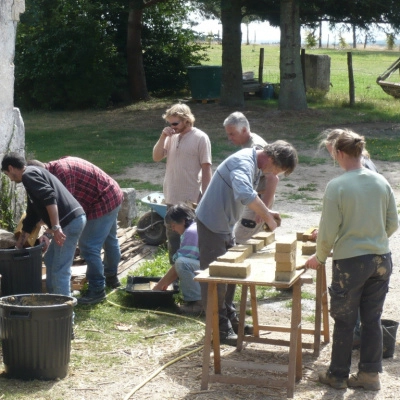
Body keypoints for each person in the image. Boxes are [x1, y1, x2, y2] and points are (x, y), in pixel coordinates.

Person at [305, 129, 398, 391]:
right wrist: (373, 238)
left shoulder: (338, 186)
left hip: (350, 264)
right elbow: (393, 223)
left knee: (345, 320)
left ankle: (337, 375)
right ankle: (370, 375)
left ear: (340, 153)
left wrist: (319, 257)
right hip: (381, 259)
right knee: (372, 318)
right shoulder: (381, 181)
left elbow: (328, 231)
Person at [196, 141, 298, 345]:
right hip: (211, 224)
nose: (275, 174)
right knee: (216, 277)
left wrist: (267, 212)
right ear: (271, 158)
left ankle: (231, 320)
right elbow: (244, 194)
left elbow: (252, 193)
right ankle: (219, 329)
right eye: (277, 169)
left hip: (224, 224)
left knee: (232, 274)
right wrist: (267, 216)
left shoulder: (254, 164)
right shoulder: (243, 162)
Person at [314, 128, 379, 347]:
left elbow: (354, 215)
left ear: (341, 150)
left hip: (356, 253)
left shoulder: (352, 176)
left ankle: (346, 354)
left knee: (347, 311)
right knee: (370, 313)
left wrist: (333, 243)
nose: (333, 158)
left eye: (332, 152)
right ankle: (368, 366)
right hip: (376, 252)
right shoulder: (368, 171)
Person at [28, 157, 124, 305]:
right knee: (110, 240)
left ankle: (97, 289)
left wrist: (47, 234)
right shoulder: (53, 171)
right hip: (110, 192)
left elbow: (66, 209)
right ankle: (111, 277)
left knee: (89, 246)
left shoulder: (61, 174)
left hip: (103, 200)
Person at [1, 153, 86, 297]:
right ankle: (53, 299)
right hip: (72, 221)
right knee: (50, 259)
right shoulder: (32, 176)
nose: (9, 178)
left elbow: (49, 196)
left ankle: (63, 314)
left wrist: (56, 227)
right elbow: (32, 215)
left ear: (11, 168)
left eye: (6, 173)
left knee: (60, 269)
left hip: (69, 223)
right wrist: (19, 246)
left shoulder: (29, 175)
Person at [152, 103, 212, 264]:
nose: (172, 127)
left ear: (186, 120)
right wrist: (163, 136)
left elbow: (207, 168)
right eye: (170, 123)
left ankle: (194, 273)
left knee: (192, 238)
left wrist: (205, 197)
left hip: (190, 199)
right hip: (171, 196)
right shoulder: (171, 137)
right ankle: (176, 277)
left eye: (175, 123)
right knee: (173, 239)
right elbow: (156, 157)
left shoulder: (200, 137)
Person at [223, 111, 278, 243]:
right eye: (228, 134)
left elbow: (273, 178)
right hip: (254, 198)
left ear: (243, 130)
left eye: (232, 134)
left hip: (259, 199)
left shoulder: (256, 147)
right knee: (255, 241)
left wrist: (263, 210)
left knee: (242, 239)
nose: (230, 138)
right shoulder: (248, 143)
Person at [152, 203, 202, 314]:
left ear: (183, 221)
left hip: (211, 269)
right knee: (181, 262)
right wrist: (163, 284)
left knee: (182, 263)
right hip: (207, 265)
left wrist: (157, 288)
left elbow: (180, 265)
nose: (173, 229)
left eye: (173, 225)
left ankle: (198, 304)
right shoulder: (192, 228)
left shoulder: (191, 233)